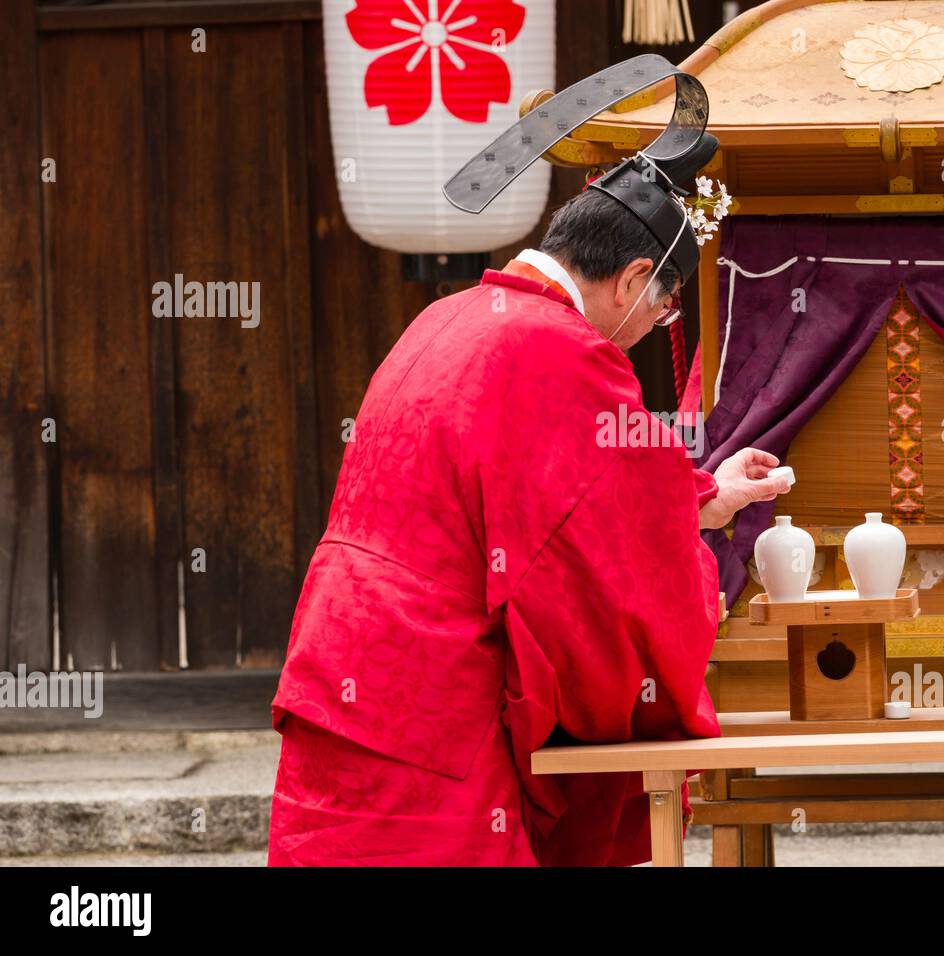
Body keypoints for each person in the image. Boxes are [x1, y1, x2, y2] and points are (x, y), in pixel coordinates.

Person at [268, 149, 788, 864]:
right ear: (634, 279)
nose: (652, 328)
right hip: (432, 687)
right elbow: (604, 544)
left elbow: (569, 487)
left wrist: (705, 494)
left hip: (342, 661)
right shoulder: (558, 346)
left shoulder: (451, 317)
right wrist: (691, 572)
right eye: (663, 309)